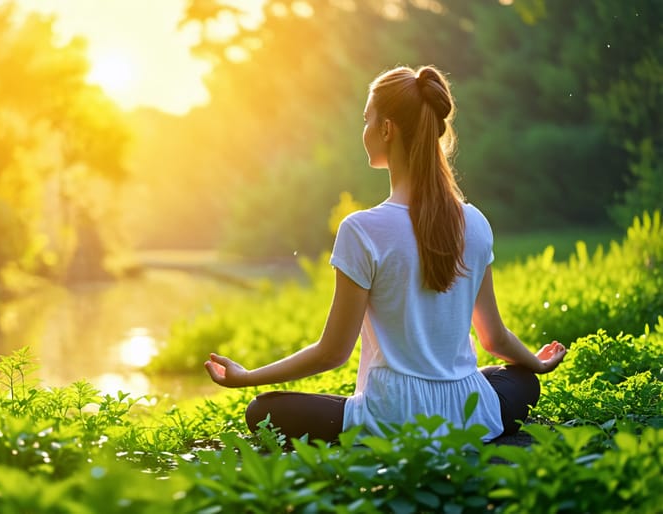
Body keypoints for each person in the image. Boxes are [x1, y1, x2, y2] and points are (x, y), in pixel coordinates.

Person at [203, 65, 567, 443]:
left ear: (387, 129)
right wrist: (536, 365)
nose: (363, 131)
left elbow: (332, 353)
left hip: (392, 419)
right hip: (467, 412)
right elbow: (494, 339)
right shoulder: (474, 221)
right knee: (520, 381)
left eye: (367, 120)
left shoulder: (361, 230)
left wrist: (247, 377)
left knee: (263, 410)